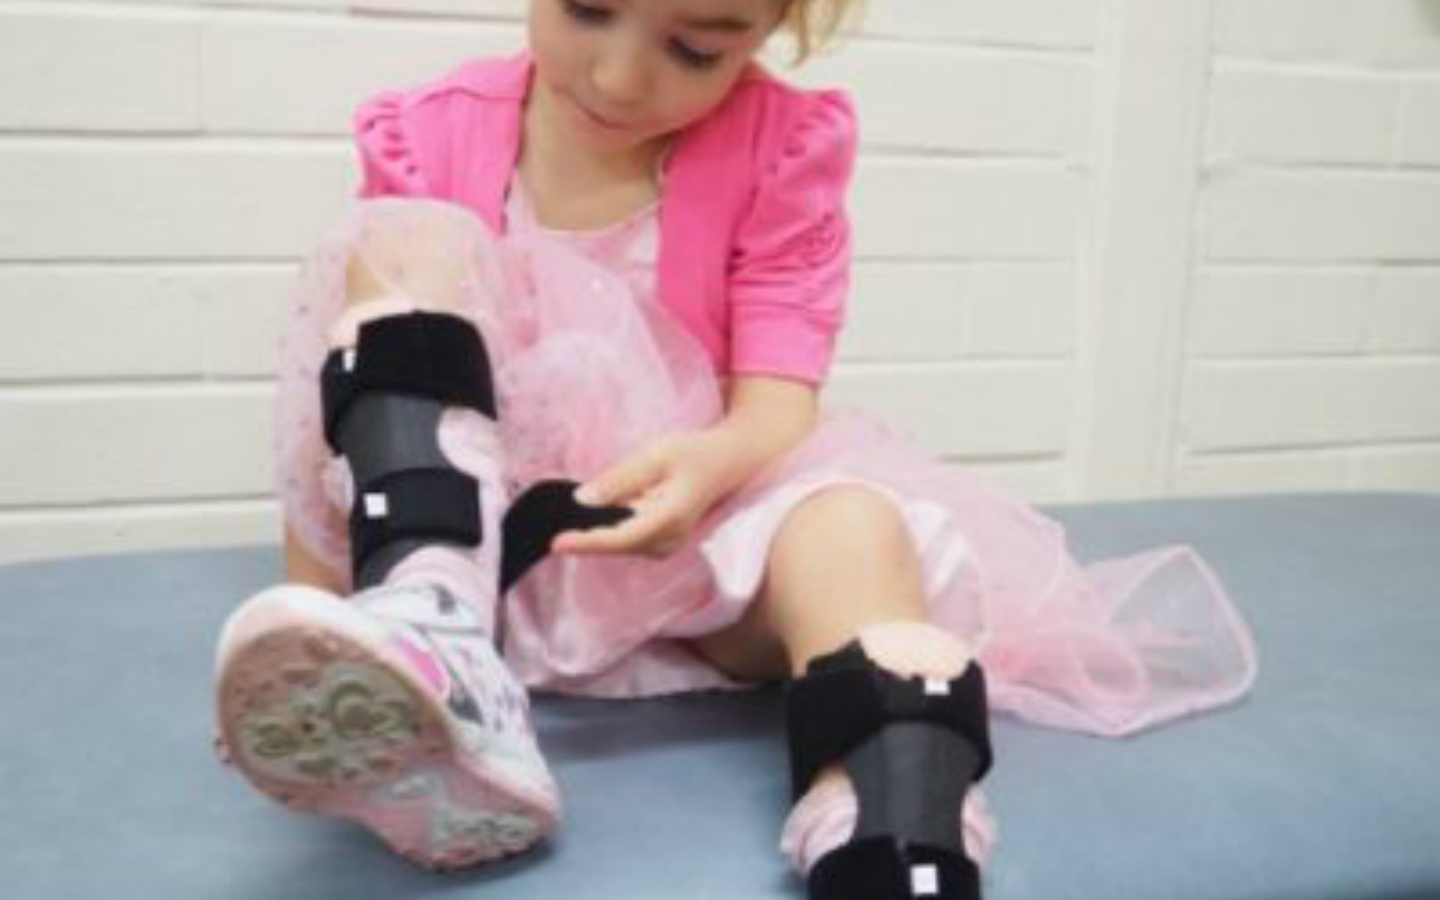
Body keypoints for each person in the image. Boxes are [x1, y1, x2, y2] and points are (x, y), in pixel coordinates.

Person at [213, 1, 1258, 896]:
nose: (621, 76)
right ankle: (423, 632)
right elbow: (340, 392)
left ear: (778, 23)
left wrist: (710, 466)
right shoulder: (431, 131)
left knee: (853, 522)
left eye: (699, 48)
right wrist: (336, 624)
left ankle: (891, 827)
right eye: (586, 6)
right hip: (496, 561)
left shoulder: (783, 151)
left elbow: (776, 408)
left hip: (685, 550)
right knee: (399, 248)